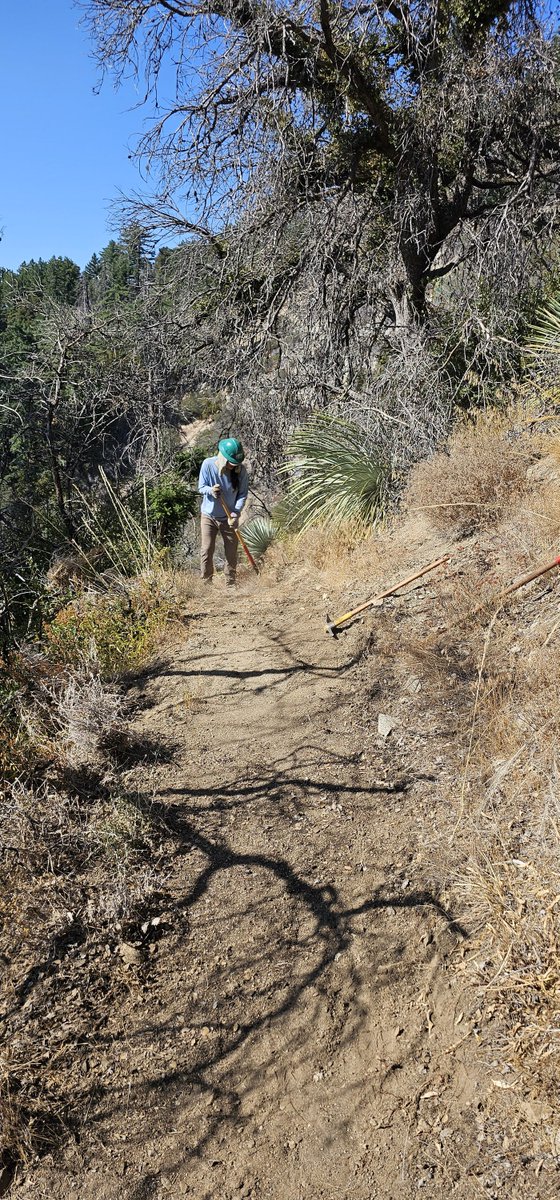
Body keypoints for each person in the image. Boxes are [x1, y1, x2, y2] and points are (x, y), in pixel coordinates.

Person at [198, 438, 249, 585]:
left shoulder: (241, 471)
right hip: (209, 516)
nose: (233, 466)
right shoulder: (208, 464)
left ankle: (230, 583)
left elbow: (242, 494)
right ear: (223, 457)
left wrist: (235, 512)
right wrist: (211, 491)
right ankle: (206, 583)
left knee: (231, 550)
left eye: (236, 463)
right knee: (207, 549)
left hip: (229, 517)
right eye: (231, 463)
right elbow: (201, 487)